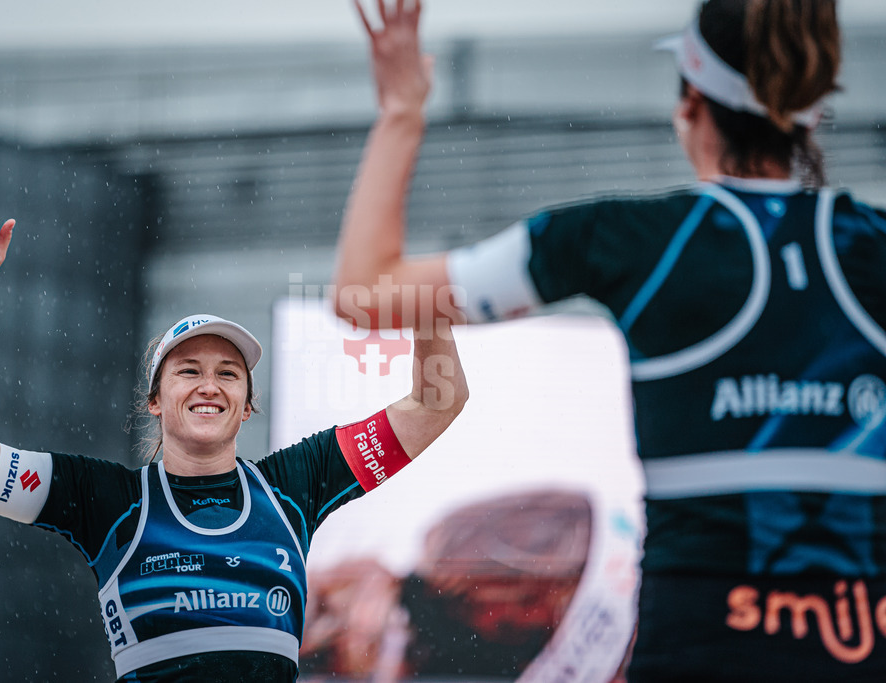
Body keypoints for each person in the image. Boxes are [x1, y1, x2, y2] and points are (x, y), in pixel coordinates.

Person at [336, 0, 886, 680]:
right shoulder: (872, 246)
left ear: (689, 100)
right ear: (813, 107)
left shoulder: (628, 240)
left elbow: (364, 291)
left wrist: (401, 110)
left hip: (695, 652)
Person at [0, 196, 468, 682]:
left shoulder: (295, 485)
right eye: (188, 370)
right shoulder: (106, 500)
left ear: (247, 407)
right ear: (155, 400)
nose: (209, 385)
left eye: (227, 374)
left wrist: (426, 302)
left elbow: (438, 403)